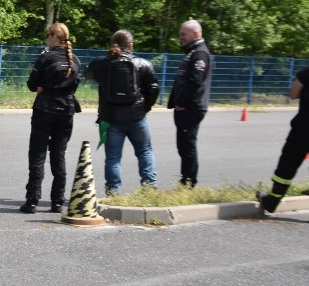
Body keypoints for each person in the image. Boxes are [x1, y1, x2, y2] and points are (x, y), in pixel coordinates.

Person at [86, 30, 160, 195]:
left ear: (113, 44)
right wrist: (145, 107)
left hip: (111, 118)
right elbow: (154, 88)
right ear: (131, 46)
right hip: (137, 117)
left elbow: (88, 74)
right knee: (145, 151)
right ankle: (150, 189)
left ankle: (113, 193)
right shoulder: (143, 64)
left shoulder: (102, 64)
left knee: (113, 158)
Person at [20, 22, 81, 214]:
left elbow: (31, 84)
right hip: (66, 111)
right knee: (59, 155)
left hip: (44, 110)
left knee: (37, 155)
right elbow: (74, 86)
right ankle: (57, 202)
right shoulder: (76, 61)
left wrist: (43, 88)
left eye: (48, 35)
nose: (47, 38)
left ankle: (32, 201)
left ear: (55, 37)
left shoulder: (45, 58)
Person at [167, 19, 212, 187]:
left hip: (191, 107)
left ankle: (189, 182)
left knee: (187, 144)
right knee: (183, 145)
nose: (181, 37)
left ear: (195, 34)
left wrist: (182, 102)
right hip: (186, 106)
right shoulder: (192, 52)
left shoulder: (200, 53)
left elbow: (195, 81)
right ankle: (185, 179)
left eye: (183, 34)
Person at [258, 66, 309, 213]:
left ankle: (273, 200)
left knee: (288, 163)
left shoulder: (307, 73)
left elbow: (293, 93)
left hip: (303, 128)